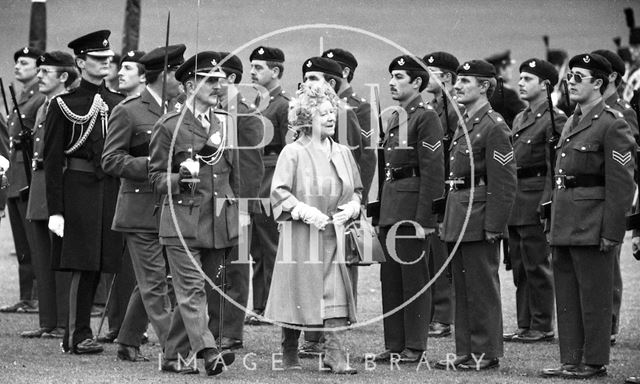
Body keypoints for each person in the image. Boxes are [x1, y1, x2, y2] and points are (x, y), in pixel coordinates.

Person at [541, 53, 635, 379]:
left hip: (593, 223)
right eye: (569, 76)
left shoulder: (612, 123)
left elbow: (622, 184)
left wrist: (613, 231)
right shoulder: (571, 120)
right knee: (566, 296)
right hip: (566, 219)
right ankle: (571, 359)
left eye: (579, 77)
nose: (571, 82)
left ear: (598, 83)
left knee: (594, 297)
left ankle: (593, 362)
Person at [148, 51, 236, 376]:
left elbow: (231, 177)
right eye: (209, 80)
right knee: (192, 289)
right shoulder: (168, 126)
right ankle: (209, 352)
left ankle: (173, 356)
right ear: (189, 85)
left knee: (206, 289)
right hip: (180, 221)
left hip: (215, 222)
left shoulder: (223, 124)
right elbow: (155, 176)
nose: (218, 85)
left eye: (220, 80)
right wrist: (180, 177)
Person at [265, 81, 362, 374]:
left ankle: (335, 355)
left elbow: (357, 188)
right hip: (302, 234)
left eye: (332, 111)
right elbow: (279, 192)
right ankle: (289, 351)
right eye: (323, 113)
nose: (331, 117)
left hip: (335, 234)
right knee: (297, 293)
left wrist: (354, 206)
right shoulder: (292, 152)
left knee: (336, 294)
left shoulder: (343, 152)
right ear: (307, 118)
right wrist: (303, 211)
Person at [101, 44, 186, 361]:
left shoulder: (177, 110)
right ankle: (176, 351)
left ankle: (127, 340)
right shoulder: (128, 110)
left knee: (152, 280)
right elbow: (110, 160)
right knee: (154, 283)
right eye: (178, 75)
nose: (182, 82)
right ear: (164, 75)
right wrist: (153, 164)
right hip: (139, 211)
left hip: (170, 208)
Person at [43, 30, 125, 355]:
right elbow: (51, 161)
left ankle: (83, 332)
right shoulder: (64, 104)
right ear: (80, 62)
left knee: (102, 261)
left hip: (111, 189)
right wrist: (56, 210)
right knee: (83, 262)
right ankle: (76, 335)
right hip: (77, 189)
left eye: (108, 58)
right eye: (98, 58)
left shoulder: (119, 103)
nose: (106, 63)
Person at [437, 59, 517, 371]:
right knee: (463, 286)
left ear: (484, 87)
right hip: (460, 211)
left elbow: (505, 181)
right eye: (457, 81)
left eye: (465, 82)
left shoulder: (493, 125)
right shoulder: (466, 121)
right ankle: (466, 351)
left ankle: (485, 352)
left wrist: (495, 225)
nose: (457, 86)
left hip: (480, 213)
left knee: (481, 287)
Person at [373, 55, 444, 363]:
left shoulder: (425, 117)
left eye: (399, 76)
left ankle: (414, 345)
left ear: (417, 82)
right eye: (391, 75)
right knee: (390, 281)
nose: (392, 81)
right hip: (392, 207)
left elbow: (432, 170)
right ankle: (394, 344)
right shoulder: (397, 115)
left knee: (413, 280)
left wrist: (426, 218)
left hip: (411, 210)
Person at [299, 56, 364, 356]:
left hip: (337, 207)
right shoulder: (302, 115)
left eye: (315, 78)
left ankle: (330, 339)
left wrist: (353, 203)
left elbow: (358, 160)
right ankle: (311, 337)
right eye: (307, 78)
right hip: (309, 209)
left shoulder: (343, 114)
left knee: (336, 274)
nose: (308, 83)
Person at [503, 58, 566, 344]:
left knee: (537, 264)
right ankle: (525, 323)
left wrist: (547, 203)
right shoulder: (521, 117)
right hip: (517, 197)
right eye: (521, 78)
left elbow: (554, 167)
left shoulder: (556, 119)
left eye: (528, 79)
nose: (520, 83)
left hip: (536, 196)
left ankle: (542, 324)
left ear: (545, 85)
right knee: (519, 264)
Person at [206, 52, 263, 351]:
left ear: (230, 79)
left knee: (236, 270)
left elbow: (252, 165)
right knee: (215, 269)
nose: (210, 84)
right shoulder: (208, 111)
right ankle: (214, 328)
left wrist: (243, 206)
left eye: (215, 78)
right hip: (212, 202)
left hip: (236, 202)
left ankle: (231, 331)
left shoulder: (244, 113)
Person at [20, 51, 77, 339]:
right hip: (40, 184)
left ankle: (66, 322)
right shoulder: (46, 104)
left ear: (63, 77)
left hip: (59, 185)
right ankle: (48, 321)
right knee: (42, 255)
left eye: (46, 72)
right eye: (39, 71)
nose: (39, 76)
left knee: (61, 256)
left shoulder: (68, 106)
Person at [98, 49, 148, 346]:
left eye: (128, 68)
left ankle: (130, 329)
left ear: (144, 76)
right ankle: (121, 327)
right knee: (120, 265)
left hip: (152, 198)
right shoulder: (122, 107)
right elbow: (111, 158)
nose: (120, 72)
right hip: (123, 193)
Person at [592, 49, 639, 347]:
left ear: (611, 77)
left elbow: (627, 162)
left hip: (610, 194)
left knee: (607, 263)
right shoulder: (589, 109)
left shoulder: (621, 112)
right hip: (585, 199)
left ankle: (607, 324)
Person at [245, 45, 289, 326]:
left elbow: (288, 149)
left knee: (271, 247)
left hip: (272, 179)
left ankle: (273, 307)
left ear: (275, 71)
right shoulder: (260, 102)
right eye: (252, 66)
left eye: (259, 67)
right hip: (257, 179)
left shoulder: (283, 105)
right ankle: (261, 305)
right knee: (258, 250)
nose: (252, 71)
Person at [0, 46, 45, 314]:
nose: (18, 67)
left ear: (39, 68)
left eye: (24, 63)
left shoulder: (39, 99)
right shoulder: (22, 98)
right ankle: (27, 296)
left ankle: (38, 296)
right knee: (22, 243)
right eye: (17, 62)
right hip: (16, 176)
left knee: (34, 241)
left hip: (29, 174)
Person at [423, 51, 460, 338]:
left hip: (450, 187)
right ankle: (437, 313)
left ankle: (444, 316)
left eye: (430, 70)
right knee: (433, 253)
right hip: (438, 186)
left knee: (442, 253)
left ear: (446, 77)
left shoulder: (453, 109)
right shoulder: (434, 107)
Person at [322, 48, 377, 200]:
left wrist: (359, 198)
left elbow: (366, 157)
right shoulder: (321, 105)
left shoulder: (360, 107)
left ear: (345, 73)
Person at [485, 50, 526, 128]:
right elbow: (525, 116)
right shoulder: (508, 93)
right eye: (509, 67)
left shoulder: (486, 89)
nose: (511, 70)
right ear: (501, 70)